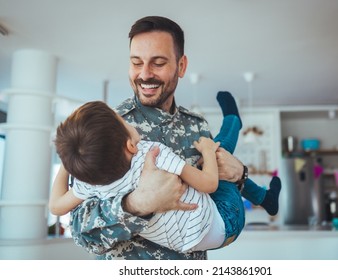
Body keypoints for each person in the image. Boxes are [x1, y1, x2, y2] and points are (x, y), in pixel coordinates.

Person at [68, 15, 276, 260]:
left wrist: (241, 174)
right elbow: (80, 231)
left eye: (158, 63)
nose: (144, 74)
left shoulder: (198, 126)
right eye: (136, 63)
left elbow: (216, 200)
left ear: (181, 66)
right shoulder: (106, 129)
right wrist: (136, 204)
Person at [50, 92, 281, 253]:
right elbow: (210, 183)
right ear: (130, 145)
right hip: (224, 222)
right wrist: (208, 152)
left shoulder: (92, 182)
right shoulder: (152, 152)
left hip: (189, 244)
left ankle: (265, 198)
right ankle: (234, 122)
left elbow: (56, 206)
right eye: (122, 120)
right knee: (217, 152)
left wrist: (68, 164)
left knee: (219, 164)